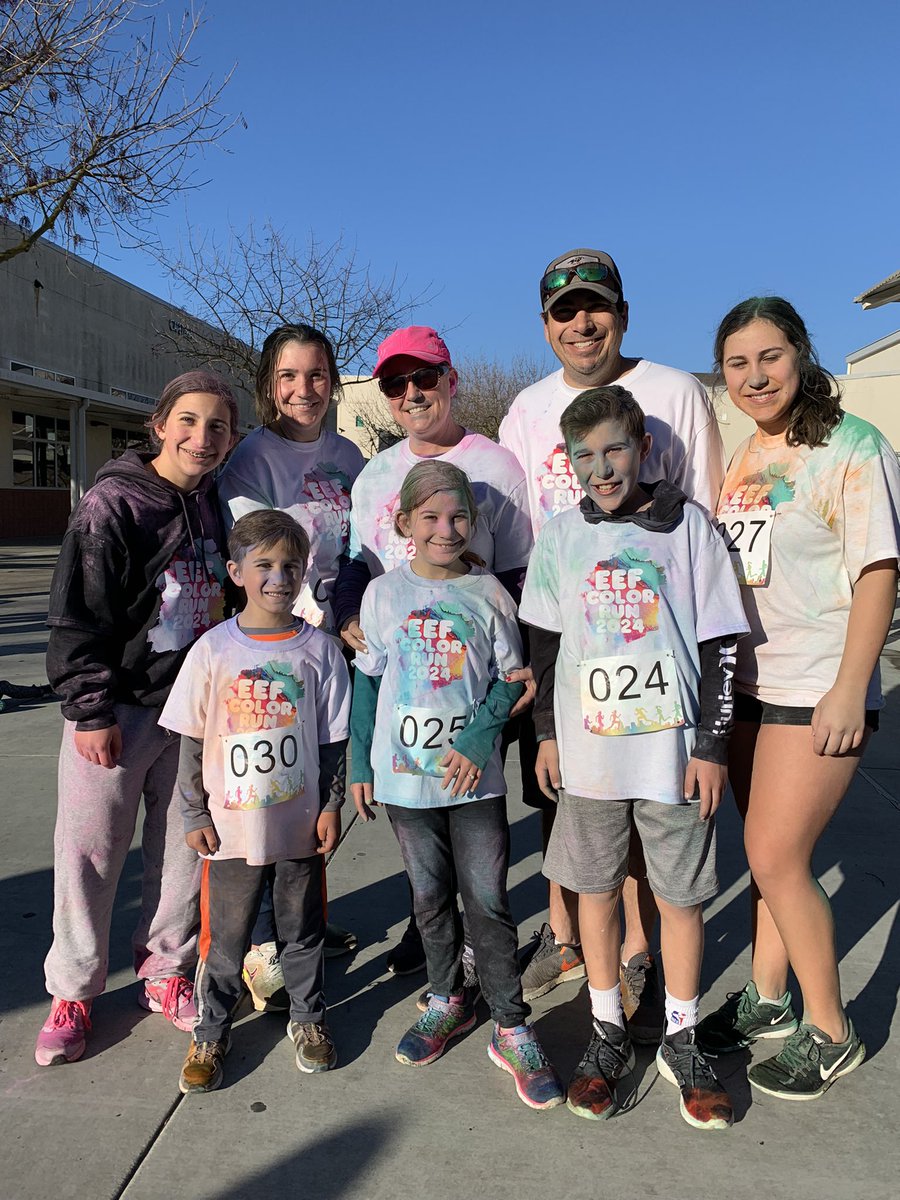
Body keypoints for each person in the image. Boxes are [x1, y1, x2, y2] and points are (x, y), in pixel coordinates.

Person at [499, 248, 726, 1036]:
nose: (581, 322)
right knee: (581, 843)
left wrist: (712, 736)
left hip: (667, 691)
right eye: (564, 311)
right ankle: (572, 953)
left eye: (595, 306)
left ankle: (646, 966)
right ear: (546, 325)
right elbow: (529, 563)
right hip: (579, 673)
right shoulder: (527, 411)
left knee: (664, 858)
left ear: (622, 312)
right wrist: (545, 725)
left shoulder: (673, 394)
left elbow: (703, 530)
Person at [519, 385, 748, 1128]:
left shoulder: (688, 528)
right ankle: (607, 1028)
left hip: (672, 755)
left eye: (614, 449)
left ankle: (682, 1038)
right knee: (595, 892)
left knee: (680, 898)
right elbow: (545, 646)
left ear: (642, 445)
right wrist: (547, 737)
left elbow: (719, 644)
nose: (601, 468)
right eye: (584, 456)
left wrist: (712, 745)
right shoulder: (559, 536)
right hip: (589, 761)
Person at [695, 297, 900, 1100]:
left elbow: (878, 570)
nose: (755, 376)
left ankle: (832, 1030)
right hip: (747, 687)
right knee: (773, 858)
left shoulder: (852, 447)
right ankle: (767, 997)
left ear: (801, 355)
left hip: (817, 686)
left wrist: (852, 687)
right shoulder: (746, 455)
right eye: (738, 363)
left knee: (775, 857)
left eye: (770, 357)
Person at [35, 371, 239, 1067]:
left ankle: (164, 972)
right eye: (188, 421)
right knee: (90, 853)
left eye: (217, 427)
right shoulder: (113, 504)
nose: (201, 438)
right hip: (117, 712)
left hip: (191, 716)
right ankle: (73, 991)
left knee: (182, 855)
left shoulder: (216, 505)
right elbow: (76, 614)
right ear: (158, 425)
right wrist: (90, 709)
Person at [349, 461, 564, 1111]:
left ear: (475, 522)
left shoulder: (491, 594)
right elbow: (368, 682)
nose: (446, 530)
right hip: (406, 788)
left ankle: (511, 1024)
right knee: (430, 898)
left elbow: (513, 680)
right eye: (432, 518)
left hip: (476, 785)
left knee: (489, 902)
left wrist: (477, 741)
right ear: (405, 523)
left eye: (459, 517)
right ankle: (447, 999)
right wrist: (360, 763)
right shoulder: (383, 595)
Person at [337, 325, 533, 978]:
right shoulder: (375, 477)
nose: (412, 392)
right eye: (397, 383)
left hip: (472, 682)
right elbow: (358, 564)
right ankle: (437, 940)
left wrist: (502, 690)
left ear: (451, 380)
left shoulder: (496, 465)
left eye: (425, 377)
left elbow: (514, 574)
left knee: (471, 823)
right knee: (422, 832)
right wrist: (344, 614)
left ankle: (476, 955)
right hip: (404, 682)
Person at [161, 509, 351, 1092]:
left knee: (303, 930)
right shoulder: (213, 650)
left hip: (298, 827)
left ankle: (309, 1020)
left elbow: (332, 741)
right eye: (263, 564)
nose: (278, 577)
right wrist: (194, 812)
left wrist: (330, 804)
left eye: (290, 566)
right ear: (235, 571)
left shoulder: (319, 651)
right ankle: (212, 1031)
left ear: (305, 573)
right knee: (227, 941)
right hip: (230, 832)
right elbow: (192, 740)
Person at [217, 323, 363, 1008]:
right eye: (288, 377)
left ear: (331, 379)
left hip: (338, 647)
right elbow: (259, 551)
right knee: (275, 788)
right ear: (268, 386)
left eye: (315, 375)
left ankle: (305, 921)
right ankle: (262, 945)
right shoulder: (251, 458)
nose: (303, 389)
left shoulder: (350, 455)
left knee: (319, 793)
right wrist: (315, 624)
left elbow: (365, 546)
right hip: (284, 646)